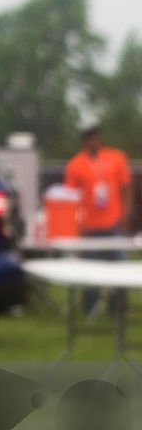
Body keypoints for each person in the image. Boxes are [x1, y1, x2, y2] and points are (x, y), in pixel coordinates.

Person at [64, 126, 133, 315]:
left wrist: (126, 213)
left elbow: (125, 187)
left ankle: (118, 307)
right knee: (91, 269)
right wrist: (76, 225)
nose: (94, 142)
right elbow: (71, 197)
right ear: (84, 142)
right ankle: (91, 307)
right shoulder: (75, 165)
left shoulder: (116, 157)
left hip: (113, 222)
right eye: (90, 139)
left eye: (97, 138)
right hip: (89, 225)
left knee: (120, 266)